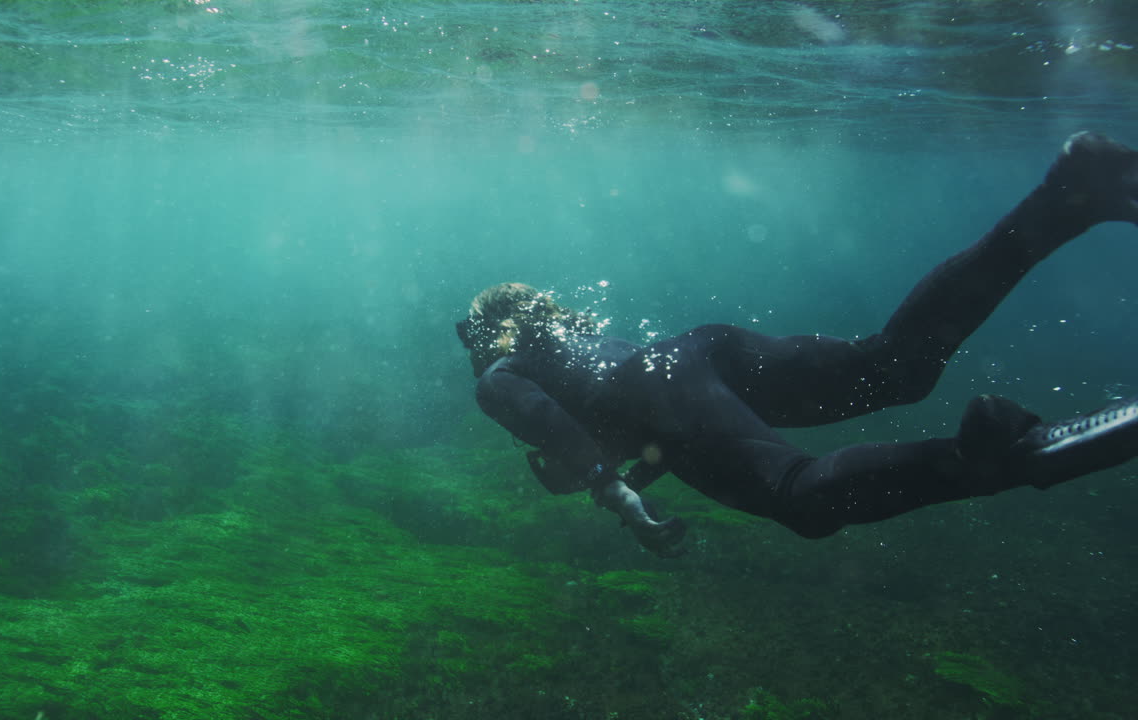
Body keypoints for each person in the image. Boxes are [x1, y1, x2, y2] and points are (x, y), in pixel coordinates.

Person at [455, 132, 1138, 558]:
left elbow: (556, 422)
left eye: (470, 333)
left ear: (491, 331)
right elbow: (654, 423)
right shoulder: (580, 342)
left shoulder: (503, 373)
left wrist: (624, 505)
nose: (469, 347)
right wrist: (628, 475)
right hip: (699, 353)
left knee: (801, 498)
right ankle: (1066, 199)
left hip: (664, 387)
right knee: (892, 368)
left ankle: (994, 458)